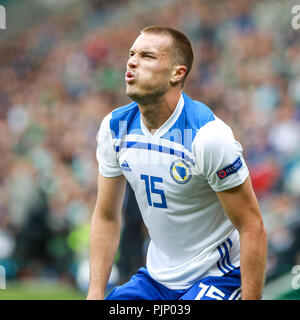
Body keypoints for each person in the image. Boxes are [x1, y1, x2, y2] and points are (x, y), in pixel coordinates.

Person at [87, 25, 267, 300]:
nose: (132, 61)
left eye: (147, 56)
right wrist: (95, 293)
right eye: (132, 53)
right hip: (156, 278)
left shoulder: (208, 137)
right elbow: (106, 216)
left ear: (177, 73)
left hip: (218, 275)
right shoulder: (114, 128)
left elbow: (252, 226)